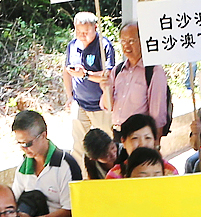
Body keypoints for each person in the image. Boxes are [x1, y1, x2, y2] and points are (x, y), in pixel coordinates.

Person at [11, 109, 83, 217]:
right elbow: (12, 200)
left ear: (43, 135)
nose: (24, 148)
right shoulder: (23, 167)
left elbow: (70, 211)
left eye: (28, 143)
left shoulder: (66, 165)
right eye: (19, 144)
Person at [63, 11, 116, 161]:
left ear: (96, 27)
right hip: (79, 103)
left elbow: (108, 75)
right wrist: (69, 96)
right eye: (78, 31)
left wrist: (85, 74)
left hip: (101, 106)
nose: (82, 35)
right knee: (78, 146)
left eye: (86, 32)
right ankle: (81, 177)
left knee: (108, 146)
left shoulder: (104, 46)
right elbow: (66, 72)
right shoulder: (72, 46)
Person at [104, 23, 169, 138]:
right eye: (123, 41)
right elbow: (107, 107)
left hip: (140, 137)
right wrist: (106, 88)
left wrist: (155, 145)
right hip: (118, 134)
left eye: (131, 41)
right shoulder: (118, 70)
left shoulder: (153, 72)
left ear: (143, 41)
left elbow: (157, 116)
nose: (126, 46)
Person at [105, 113, 180, 178]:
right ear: (123, 142)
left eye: (147, 138)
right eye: (135, 138)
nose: (142, 144)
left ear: (154, 141)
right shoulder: (114, 175)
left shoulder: (169, 172)